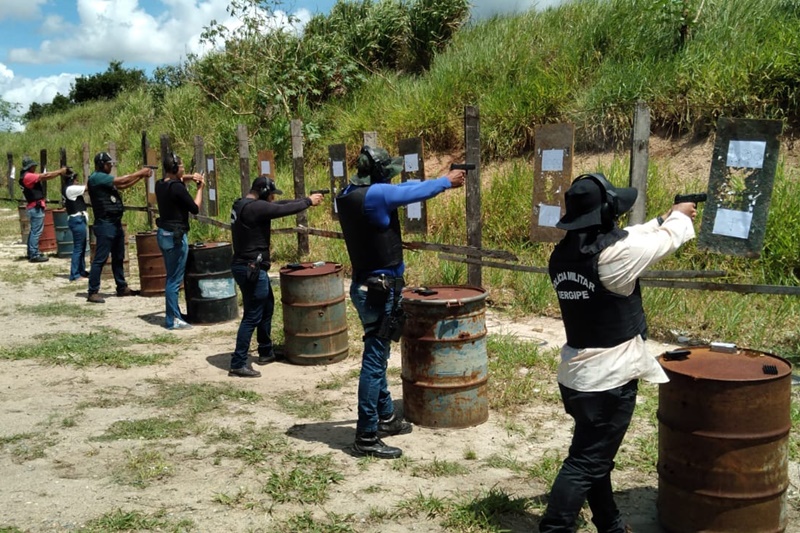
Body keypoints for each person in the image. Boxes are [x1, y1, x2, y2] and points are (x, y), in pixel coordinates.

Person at [540, 173, 697, 533]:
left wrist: (661, 217)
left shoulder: (562, 255)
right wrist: (679, 217)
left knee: (595, 458)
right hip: (609, 380)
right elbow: (665, 241)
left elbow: (631, 236)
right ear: (607, 211)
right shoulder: (615, 257)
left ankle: (610, 525)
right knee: (584, 463)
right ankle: (554, 528)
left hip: (577, 375)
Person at [336, 145, 465, 459]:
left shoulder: (348, 193)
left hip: (364, 286)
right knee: (375, 363)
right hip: (380, 289)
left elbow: (405, 189)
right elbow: (411, 192)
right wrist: (446, 181)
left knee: (375, 353)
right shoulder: (376, 195)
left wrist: (439, 178)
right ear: (378, 174)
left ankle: (386, 417)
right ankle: (366, 436)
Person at [228, 176, 324, 378]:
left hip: (246, 266)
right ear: (263, 194)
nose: (272, 199)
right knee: (252, 315)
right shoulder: (255, 209)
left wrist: (305, 198)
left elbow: (279, 204)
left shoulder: (243, 204)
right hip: (251, 267)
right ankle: (238, 362)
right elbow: (279, 210)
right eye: (270, 195)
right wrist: (307, 202)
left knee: (267, 306)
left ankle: (265, 350)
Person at [86, 152, 151, 303]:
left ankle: (122, 287)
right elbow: (122, 180)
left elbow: (124, 184)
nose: (110, 166)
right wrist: (140, 172)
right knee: (100, 259)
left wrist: (140, 177)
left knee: (119, 256)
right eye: (108, 164)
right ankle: (92, 291)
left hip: (114, 222)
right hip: (105, 223)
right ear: (101, 164)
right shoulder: (96, 177)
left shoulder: (103, 180)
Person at [155, 152, 205, 330]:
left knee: (171, 277)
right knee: (174, 280)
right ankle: (172, 320)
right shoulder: (177, 188)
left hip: (163, 234)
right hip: (176, 236)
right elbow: (195, 208)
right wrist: (200, 189)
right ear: (175, 168)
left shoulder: (160, 184)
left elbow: (180, 179)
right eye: (182, 166)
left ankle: (174, 313)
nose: (184, 169)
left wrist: (191, 177)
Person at [19, 156, 69, 262]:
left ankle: (32, 251)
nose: (35, 167)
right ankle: (34, 254)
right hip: (35, 207)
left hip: (34, 206)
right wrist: (60, 171)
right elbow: (46, 175)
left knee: (35, 231)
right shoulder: (28, 176)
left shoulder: (25, 176)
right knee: (36, 231)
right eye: (33, 166)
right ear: (30, 167)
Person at [62, 170, 90, 281]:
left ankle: (81, 271)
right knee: (78, 248)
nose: (77, 182)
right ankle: (74, 274)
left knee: (82, 247)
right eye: (76, 180)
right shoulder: (70, 189)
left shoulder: (69, 189)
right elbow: (87, 188)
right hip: (77, 220)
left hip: (78, 219)